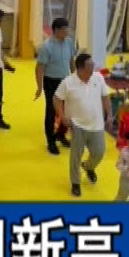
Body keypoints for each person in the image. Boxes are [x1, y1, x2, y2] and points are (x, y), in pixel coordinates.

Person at [55, 51, 113, 197]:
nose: (93, 71)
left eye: (93, 67)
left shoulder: (98, 78)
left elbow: (105, 97)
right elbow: (56, 99)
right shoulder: (68, 82)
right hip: (77, 125)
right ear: (80, 69)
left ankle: (88, 166)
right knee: (76, 156)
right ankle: (75, 183)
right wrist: (62, 117)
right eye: (89, 68)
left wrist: (109, 115)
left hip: (96, 124)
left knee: (99, 152)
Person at [33, 18, 80, 155]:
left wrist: (75, 78)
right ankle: (51, 141)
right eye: (65, 29)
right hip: (51, 82)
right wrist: (39, 87)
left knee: (68, 109)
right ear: (56, 30)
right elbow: (39, 68)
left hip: (66, 80)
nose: (67, 31)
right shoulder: (46, 46)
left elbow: (71, 61)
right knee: (51, 111)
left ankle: (61, 134)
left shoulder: (69, 42)